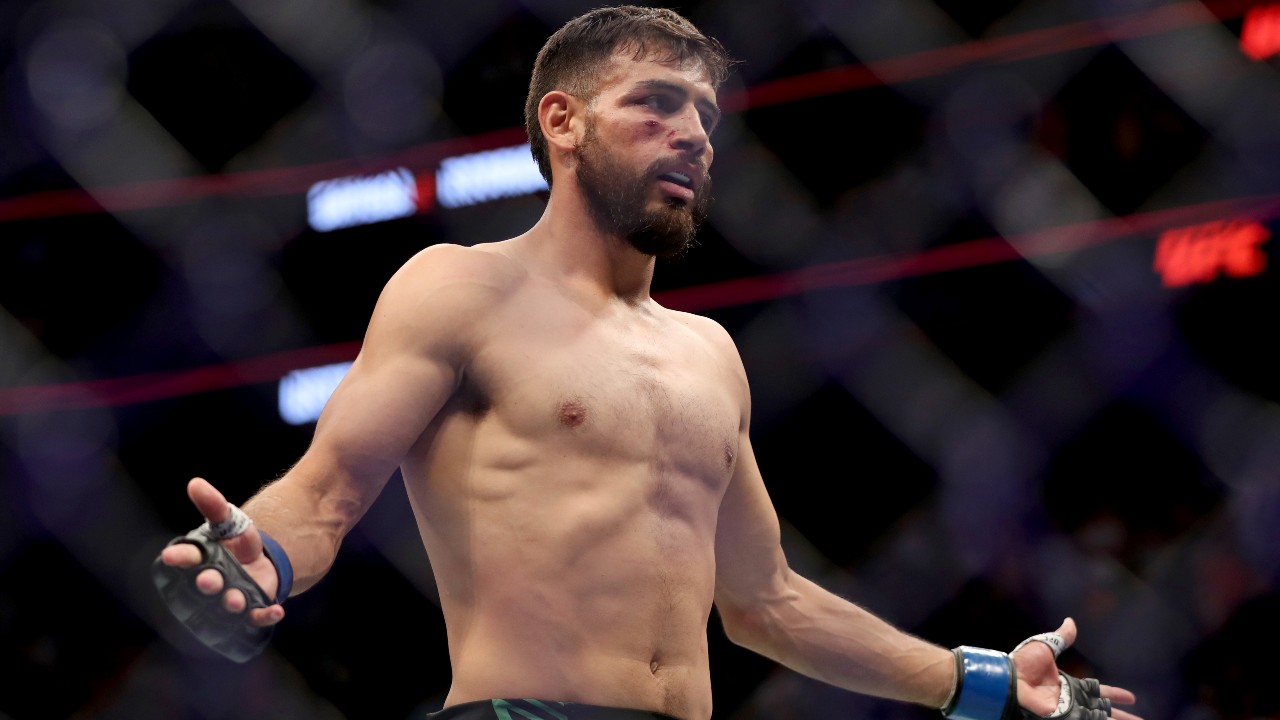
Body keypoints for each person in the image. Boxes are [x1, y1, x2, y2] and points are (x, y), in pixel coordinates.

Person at [154, 6, 1142, 720]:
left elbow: (766, 604)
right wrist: (260, 553)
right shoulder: (461, 287)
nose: (692, 136)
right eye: (656, 104)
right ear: (562, 120)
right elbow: (326, 494)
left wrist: (975, 683)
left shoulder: (705, 350)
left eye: (704, 118)